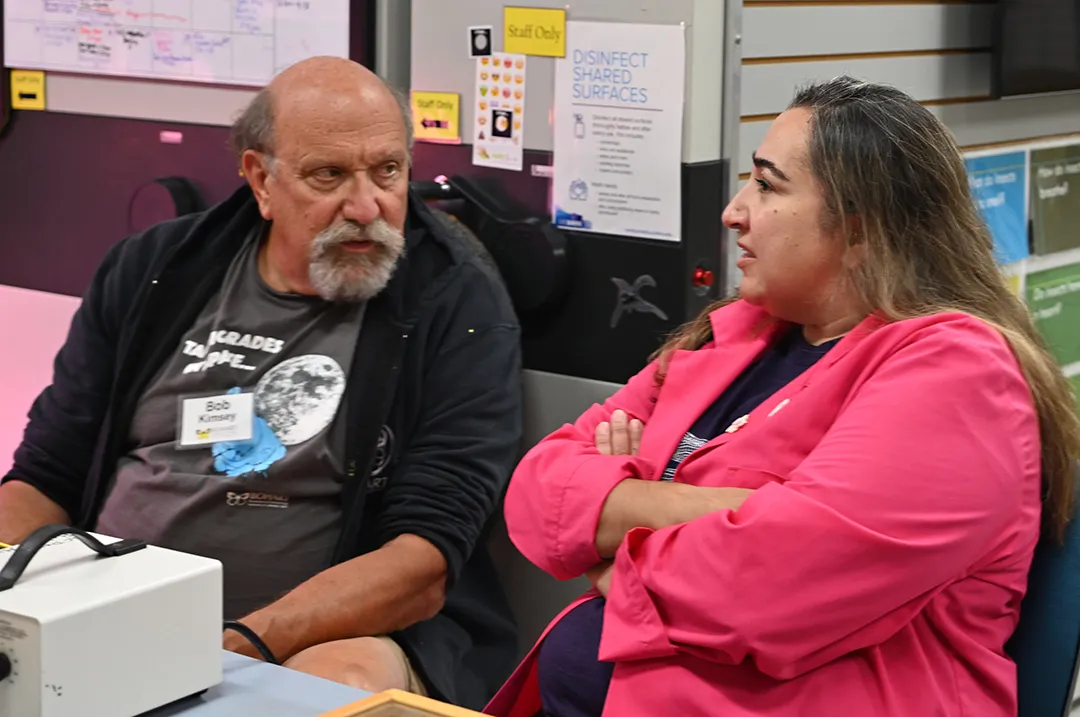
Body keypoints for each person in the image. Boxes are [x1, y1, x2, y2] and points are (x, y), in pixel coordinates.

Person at [485, 76, 1080, 717]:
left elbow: (764, 586)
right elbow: (539, 492)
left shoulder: (958, 371)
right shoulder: (735, 336)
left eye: (767, 186)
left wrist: (612, 547)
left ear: (860, 231)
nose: (734, 211)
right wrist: (726, 509)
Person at [0, 56, 523, 710]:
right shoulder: (157, 268)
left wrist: (237, 643)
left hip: (325, 632)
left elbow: (423, 561)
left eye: (388, 170)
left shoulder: (451, 296)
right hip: (110, 603)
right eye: (328, 174)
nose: (366, 206)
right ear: (261, 179)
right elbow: (46, 474)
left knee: (332, 685)